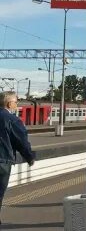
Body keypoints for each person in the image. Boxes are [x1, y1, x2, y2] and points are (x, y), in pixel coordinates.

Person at [0, 92, 35, 223]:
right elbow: (21, 141)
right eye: (16, 102)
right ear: (9, 104)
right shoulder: (12, 119)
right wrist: (29, 157)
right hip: (2, 162)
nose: (17, 104)